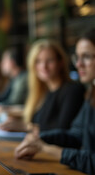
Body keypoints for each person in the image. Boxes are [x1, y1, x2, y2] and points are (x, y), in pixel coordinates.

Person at [15, 28, 95, 174]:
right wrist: (39, 138)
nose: (78, 65)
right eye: (77, 57)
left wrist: (45, 148)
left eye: (87, 57)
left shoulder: (74, 90)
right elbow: (75, 134)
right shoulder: (92, 94)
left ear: (60, 62)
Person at [0, 39, 85, 132]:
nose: (43, 66)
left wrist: (26, 126)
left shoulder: (73, 91)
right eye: (38, 61)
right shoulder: (42, 92)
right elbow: (39, 121)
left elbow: (62, 130)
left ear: (60, 62)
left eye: (50, 60)